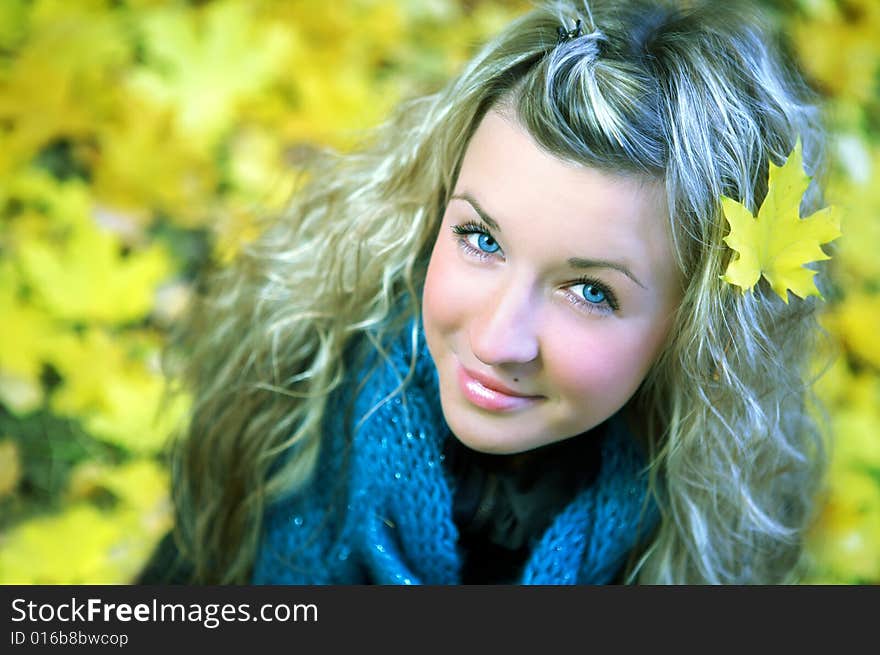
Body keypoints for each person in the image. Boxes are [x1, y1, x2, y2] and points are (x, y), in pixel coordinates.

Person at [144, 0, 831, 585]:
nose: (498, 339)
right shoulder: (288, 403)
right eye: (482, 239)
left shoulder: (706, 534)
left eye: (590, 290)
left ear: (697, 324)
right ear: (436, 204)